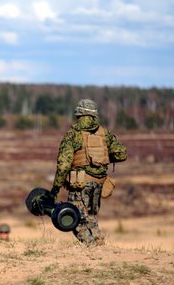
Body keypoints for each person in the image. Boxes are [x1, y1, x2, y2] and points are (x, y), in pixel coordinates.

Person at [51, 99, 127, 246]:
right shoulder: (105, 134)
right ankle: (99, 244)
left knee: (76, 219)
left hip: (80, 184)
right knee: (91, 217)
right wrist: (100, 158)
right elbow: (121, 154)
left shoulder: (73, 135)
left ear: (78, 114)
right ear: (94, 115)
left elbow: (63, 164)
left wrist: (56, 187)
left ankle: (91, 248)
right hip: (99, 184)